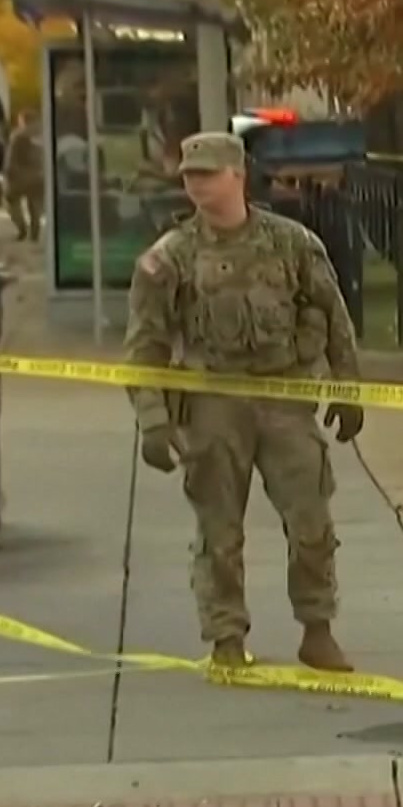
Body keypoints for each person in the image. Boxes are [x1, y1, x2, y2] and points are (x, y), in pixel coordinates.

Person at [123, 131, 366, 671]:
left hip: (284, 397)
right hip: (212, 405)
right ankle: (226, 637)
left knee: (310, 520)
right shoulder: (170, 259)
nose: (198, 185)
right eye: (190, 176)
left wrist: (348, 388)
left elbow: (333, 314)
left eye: (208, 174)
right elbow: (145, 345)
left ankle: (317, 628)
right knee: (219, 531)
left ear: (238, 175)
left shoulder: (291, 243)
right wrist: (153, 421)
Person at [5, 111, 46, 241]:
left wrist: (8, 173)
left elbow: (11, 159)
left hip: (20, 177)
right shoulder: (44, 135)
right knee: (35, 206)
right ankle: (35, 233)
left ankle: (21, 227)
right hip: (39, 175)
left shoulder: (18, 136)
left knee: (11, 201)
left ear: (23, 121)